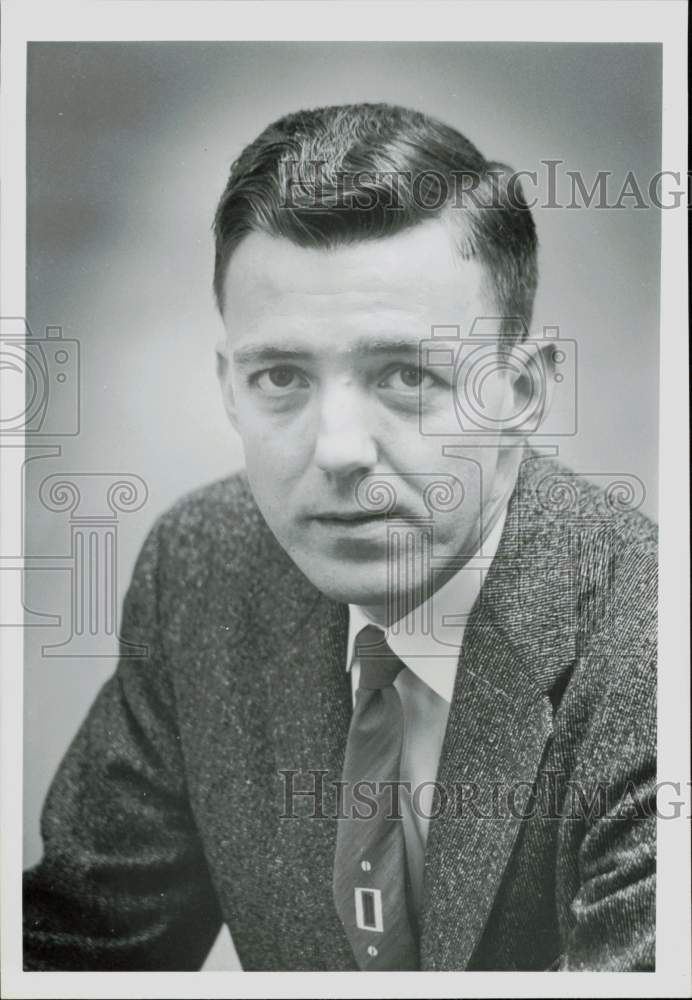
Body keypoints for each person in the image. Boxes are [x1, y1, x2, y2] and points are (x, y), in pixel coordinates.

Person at [23, 103, 657, 972]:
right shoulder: (202, 571)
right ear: (230, 388)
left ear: (523, 392)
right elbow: (67, 956)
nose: (337, 451)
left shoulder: (658, 644)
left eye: (405, 374)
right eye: (281, 376)